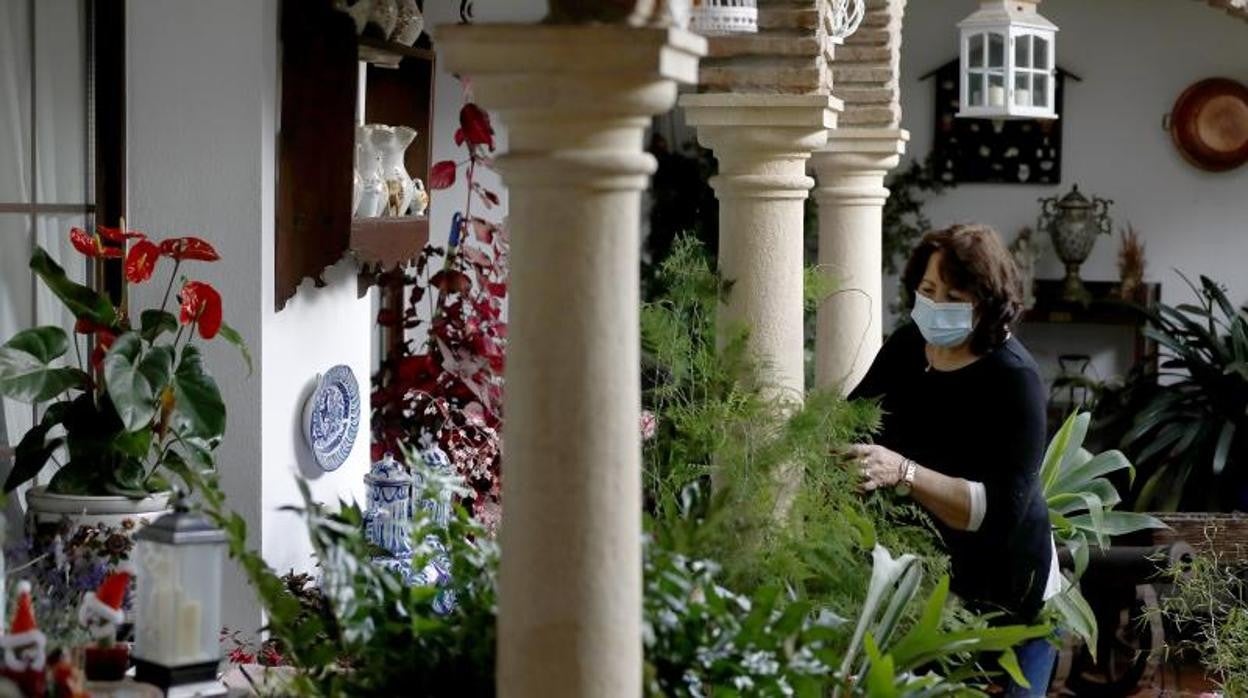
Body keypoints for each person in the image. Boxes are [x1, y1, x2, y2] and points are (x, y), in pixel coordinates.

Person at [845, 223, 1060, 697]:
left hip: (1008, 598)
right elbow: (852, 422)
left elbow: (997, 513)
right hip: (929, 587)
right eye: (927, 289)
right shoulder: (907, 347)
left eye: (953, 294)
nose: (935, 304)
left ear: (986, 303)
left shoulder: (1014, 380)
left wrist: (903, 472)